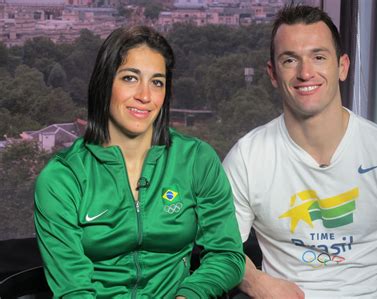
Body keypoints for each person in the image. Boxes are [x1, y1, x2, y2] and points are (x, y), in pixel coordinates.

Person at [223, 4, 377, 299]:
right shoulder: (247, 159)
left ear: (342, 66)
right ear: (273, 73)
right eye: (290, 60)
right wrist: (256, 282)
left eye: (318, 57)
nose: (305, 72)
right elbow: (222, 249)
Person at [34, 25, 245, 298]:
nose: (145, 96)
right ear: (104, 82)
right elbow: (73, 290)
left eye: (157, 82)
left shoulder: (196, 159)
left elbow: (227, 255)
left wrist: (189, 295)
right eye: (130, 78)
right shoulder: (62, 178)